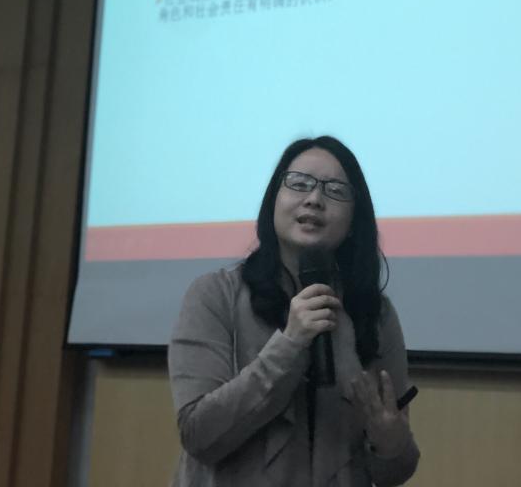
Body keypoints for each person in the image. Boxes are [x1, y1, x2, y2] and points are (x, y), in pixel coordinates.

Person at [168, 136, 420, 486]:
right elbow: (198, 435)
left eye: (335, 190)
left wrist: (390, 444)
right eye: (299, 183)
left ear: (354, 220)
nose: (314, 199)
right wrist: (290, 344)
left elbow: (396, 471)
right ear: (274, 200)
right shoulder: (214, 295)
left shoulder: (375, 315)